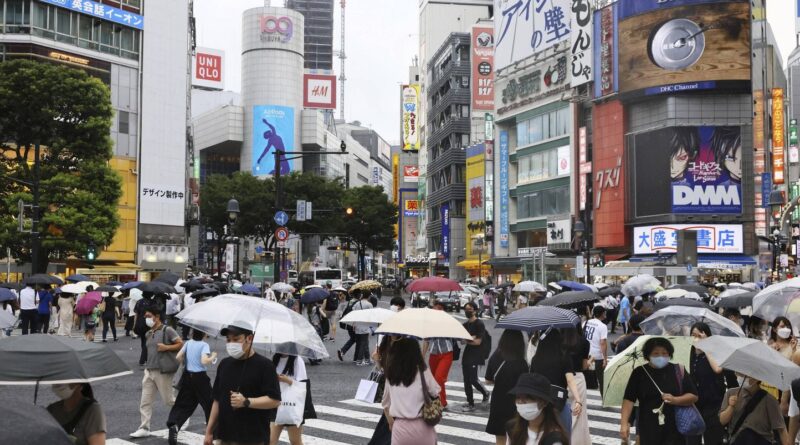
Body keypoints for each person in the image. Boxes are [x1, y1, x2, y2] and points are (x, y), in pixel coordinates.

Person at [203, 321, 281, 445]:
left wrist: (246, 402)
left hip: (253, 438)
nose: (231, 344)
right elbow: (217, 400)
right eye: (228, 340)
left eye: (236, 339)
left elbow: (275, 400)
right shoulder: (224, 364)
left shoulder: (265, 366)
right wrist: (209, 431)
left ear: (249, 338)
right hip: (225, 435)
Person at [620, 337, 699, 444]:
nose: (660, 356)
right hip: (648, 427)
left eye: (664, 353)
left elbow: (693, 396)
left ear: (670, 354)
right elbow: (629, 399)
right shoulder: (639, 373)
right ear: (648, 355)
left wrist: (675, 400)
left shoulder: (678, 371)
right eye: (656, 353)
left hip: (675, 427)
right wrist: (624, 423)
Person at [130, 309, 183, 438]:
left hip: (163, 371)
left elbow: (180, 344)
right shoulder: (148, 333)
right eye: (145, 316)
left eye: (148, 316)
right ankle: (144, 427)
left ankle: (183, 416)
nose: (146, 318)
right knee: (145, 401)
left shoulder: (167, 330)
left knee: (169, 400)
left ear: (157, 316)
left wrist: (166, 347)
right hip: (149, 371)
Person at [382, 337, 441, 445]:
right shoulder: (423, 372)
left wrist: (391, 423)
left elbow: (385, 405)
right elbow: (435, 392)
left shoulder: (391, 375)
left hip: (400, 429)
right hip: (423, 426)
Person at [687, 322, 738, 445]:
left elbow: (718, 369)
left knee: (713, 439)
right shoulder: (689, 355)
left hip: (713, 405)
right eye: (693, 335)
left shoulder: (715, 353)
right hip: (693, 405)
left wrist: (706, 346)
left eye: (700, 335)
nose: (696, 338)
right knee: (692, 440)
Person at [166, 329, 217, 445]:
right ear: (204, 334)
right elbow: (204, 361)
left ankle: (175, 424)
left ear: (193, 333)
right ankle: (214, 433)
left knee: (183, 403)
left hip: (188, 377)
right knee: (209, 404)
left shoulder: (188, 343)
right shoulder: (204, 345)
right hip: (200, 378)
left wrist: (188, 362)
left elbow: (178, 357)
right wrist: (213, 356)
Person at [529, 329, 582, 433]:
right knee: (563, 435)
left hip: (540, 402)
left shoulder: (536, 359)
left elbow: (531, 379)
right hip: (558, 403)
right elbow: (570, 380)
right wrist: (578, 400)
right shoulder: (564, 356)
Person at [485, 330, 530, 445]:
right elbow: (525, 386)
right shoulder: (522, 363)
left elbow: (488, 380)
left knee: (500, 438)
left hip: (498, 401)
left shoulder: (496, 356)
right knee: (516, 437)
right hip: (515, 403)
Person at [719, 373, 789, 444]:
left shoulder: (769, 400)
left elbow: (781, 430)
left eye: (746, 375)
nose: (741, 377)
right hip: (736, 441)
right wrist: (731, 407)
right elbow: (722, 421)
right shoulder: (731, 393)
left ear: (757, 378)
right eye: (739, 374)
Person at [505, 373, 570, 445]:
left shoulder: (554, 439)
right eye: (518, 397)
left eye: (528, 397)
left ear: (544, 402)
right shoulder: (512, 428)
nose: (521, 402)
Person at [269, 352, 316, 445]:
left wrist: (287, 380)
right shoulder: (275, 359)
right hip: (277, 404)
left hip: (293, 406)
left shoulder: (297, 360)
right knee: (270, 440)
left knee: (295, 441)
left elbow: (302, 386)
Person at [563, 325, 591, 445]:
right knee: (579, 416)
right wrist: (590, 361)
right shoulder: (584, 342)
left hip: (562, 378)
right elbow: (584, 366)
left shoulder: (560, 340)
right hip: (578, 378)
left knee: (562, 412)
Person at [423, 301, 455, 410]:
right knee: (435, 380)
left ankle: (441, 403)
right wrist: (422, 356)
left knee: (439, 378)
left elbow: (457, 336)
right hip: (433, 354)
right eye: (434, 308)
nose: (436, 310)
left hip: (446, 353)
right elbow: (426, 341)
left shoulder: (448, 321)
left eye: (439, 308)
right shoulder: (429, 323)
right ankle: (441, 401)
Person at [460, 302, 490, 412]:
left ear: (475, 310)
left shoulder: (479, 324)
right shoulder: (465, 325)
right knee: (466, 380)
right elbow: (461, 341)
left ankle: (485, 393)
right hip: (467, 354)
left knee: (473, 379)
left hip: (476, 354)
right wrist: (470, 338)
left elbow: (478, 342)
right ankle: (470, 403)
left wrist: (468, 339)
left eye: (470, 309)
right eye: (466, 309)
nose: (467, 311)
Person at [584, 305, 608, 395]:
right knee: (601, 379)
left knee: (584, 376)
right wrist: (605, 358)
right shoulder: (602, 326)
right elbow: (603, 343)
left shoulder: (586, 322)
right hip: (597, 356)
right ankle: (604, 398)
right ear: (602, 314)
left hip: (586, 354)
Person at [133, 292, 161, 366]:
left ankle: (145, 358)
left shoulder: (139, 302)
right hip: (150, 323)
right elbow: (157, 313)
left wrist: (134, 324)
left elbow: (136, 314)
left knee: (143, 340)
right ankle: (143, 360)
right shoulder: (153, 302)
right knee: (148, 341)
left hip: (140, 323)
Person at [352, 292, 374, 366]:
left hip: (357, 324)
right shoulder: (369, 304)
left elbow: (353, 312)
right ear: (369, 296)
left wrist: (354, 323)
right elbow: (372, 315)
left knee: (363, 343)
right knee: (363, 343)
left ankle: (367, 359)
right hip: (365, 325)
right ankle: (359, 360)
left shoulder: (357, 303)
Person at [306, 301, 326, 365]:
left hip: (311, 327)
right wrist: (321, 310)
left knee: (313, 342)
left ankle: (316, 357)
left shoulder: (308, 309)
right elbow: (324, 315)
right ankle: (313, 358)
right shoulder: (317, 308)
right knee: (318, 342)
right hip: (317, 327)